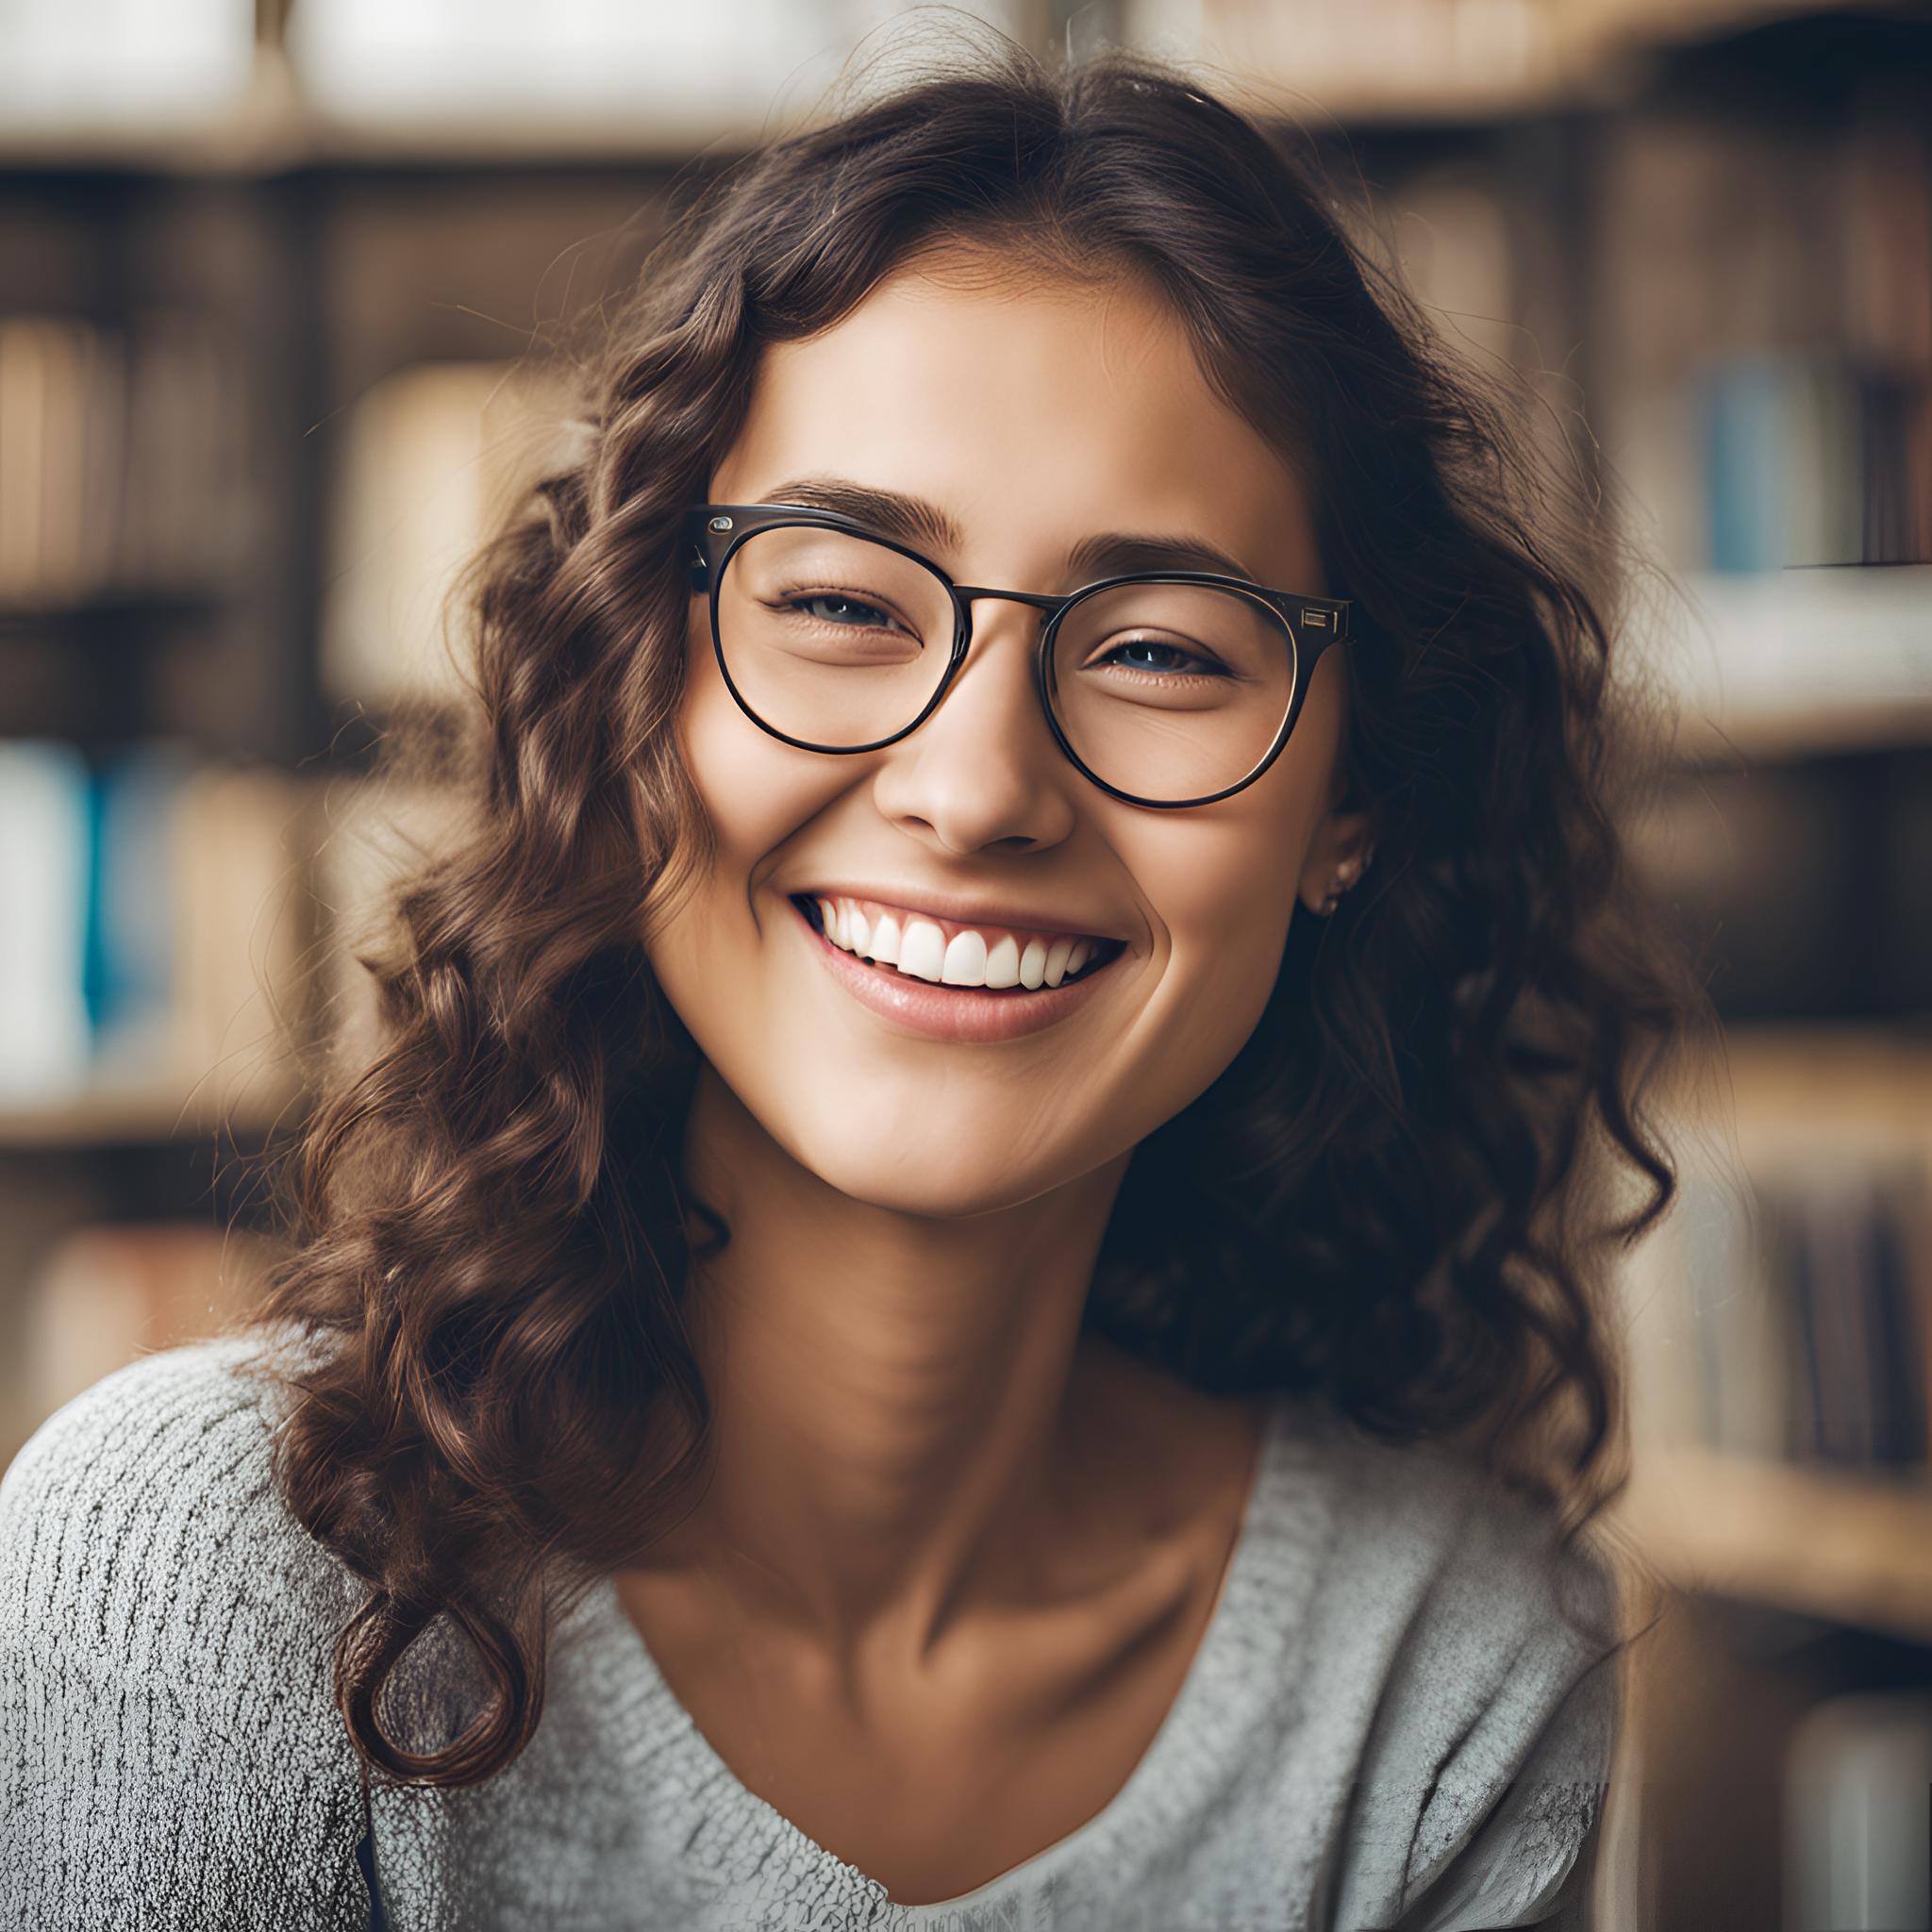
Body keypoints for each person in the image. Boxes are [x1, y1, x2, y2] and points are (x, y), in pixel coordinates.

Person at [0, 30, 1698, 1932]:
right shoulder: (214, 1571)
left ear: (1348, 803)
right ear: (637, 698)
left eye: (1155, 652)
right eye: (835, 604)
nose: (975, 788)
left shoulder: (1441, 1683)